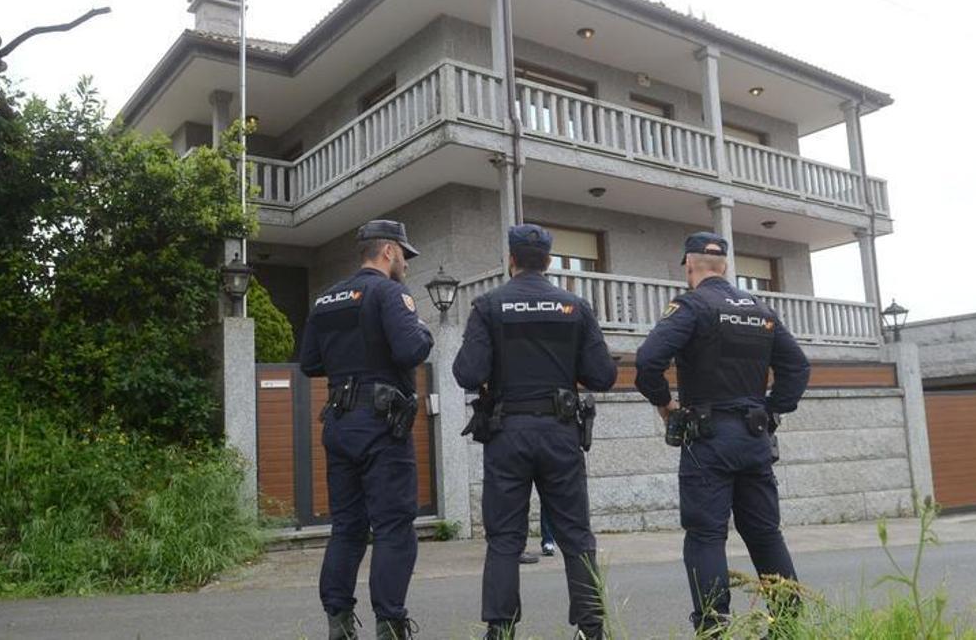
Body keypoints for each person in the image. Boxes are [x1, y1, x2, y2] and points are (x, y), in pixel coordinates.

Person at [634, 232, 811, 633]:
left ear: (689, 266)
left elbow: (648, 361)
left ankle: (714, 627)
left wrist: (666, 405)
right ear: (725, 267)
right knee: (765, 534)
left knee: (705, 537)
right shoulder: (760, 309)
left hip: (708, 438)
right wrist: (771, 409)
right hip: (754, 438)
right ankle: (788, 625)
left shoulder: (692, 305)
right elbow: (798, 367)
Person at [453, 224, 617, 640]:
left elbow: (467, 373)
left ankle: (500, 629)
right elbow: (602, 375)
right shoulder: (574, 307)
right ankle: (592, 629)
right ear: (548, 261)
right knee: (576, 534)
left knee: (505, 538)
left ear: (511, 260)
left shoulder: (489, 305)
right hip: (560, 433)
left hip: (508, 433)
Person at [300, 219, 433, 640]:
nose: (407, 266)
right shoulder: (390, 292)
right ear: (389, 251)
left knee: (348, 527)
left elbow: (310, 363)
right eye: (405, 257)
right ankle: (390, 625)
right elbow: (412, 349)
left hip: (339, 422)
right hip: (381, 426)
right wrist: (424, 331)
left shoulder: (325, 299)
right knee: (394, 526)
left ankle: (338, 624)